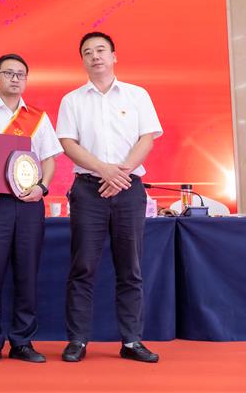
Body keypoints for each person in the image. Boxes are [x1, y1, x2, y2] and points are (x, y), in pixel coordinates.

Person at [56, 32, 163, 363]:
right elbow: (68, 143)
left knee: (130, 267)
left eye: (101, 50)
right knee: (82, 266)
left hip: (129, 189)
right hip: (88, 190)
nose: (95, 56)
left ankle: (131, 340)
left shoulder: (137, 95)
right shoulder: (72, 100)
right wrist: (104, 170)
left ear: (114, 56)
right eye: (88, 52)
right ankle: (77, 340)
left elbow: (147, 138)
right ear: (83, 61)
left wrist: (121, 174)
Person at [0, 53, 63, 363]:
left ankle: (22, 342)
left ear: (26, 80)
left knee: (27, 273)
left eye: (20, 74)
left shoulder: (38, 117)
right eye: (8, 73)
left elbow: (49, 159)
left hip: (29, 203)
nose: (14, 79)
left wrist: (42, 188)